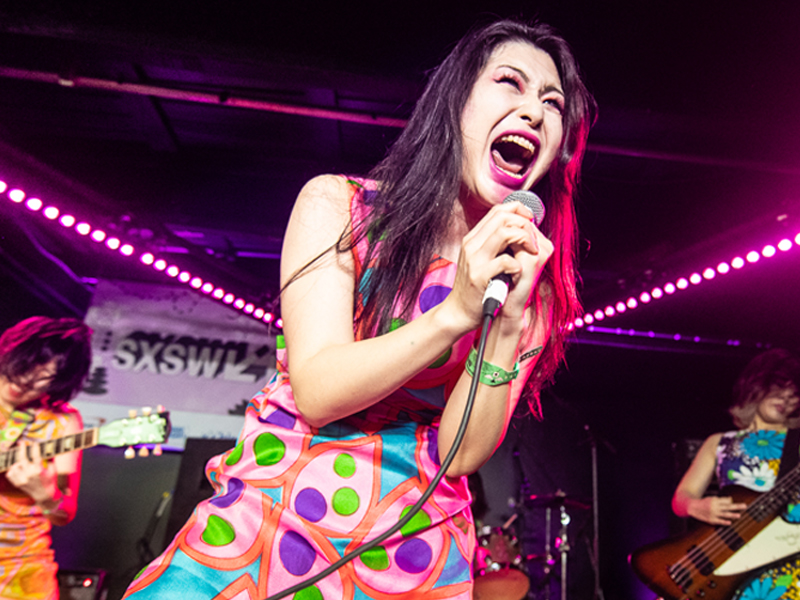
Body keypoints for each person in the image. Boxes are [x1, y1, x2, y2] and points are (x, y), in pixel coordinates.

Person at [124, 18, 595, 600]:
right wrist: (456, 313)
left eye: (553, 103)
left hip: (414, 549)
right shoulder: (339, 207)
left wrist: (504, 328)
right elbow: (320, 390)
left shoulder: (533, 290)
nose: (535, 112)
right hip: (274, 516)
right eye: (510, 84)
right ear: (455, 103)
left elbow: (460, 456)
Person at [672, 348, 800, 599]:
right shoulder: (719, 443)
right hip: (733, 561)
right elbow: (680, 499)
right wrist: (700, 506)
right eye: (778, 388)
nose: (786, 398)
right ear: (755, 388)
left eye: (794, 393)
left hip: (790, 560)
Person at [0, 316, 93, 600]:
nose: (28, 381)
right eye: (26, 366)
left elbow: (64, 512)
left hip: (19, 567)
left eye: (46, 378)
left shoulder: (62, 421)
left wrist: (45, 494)